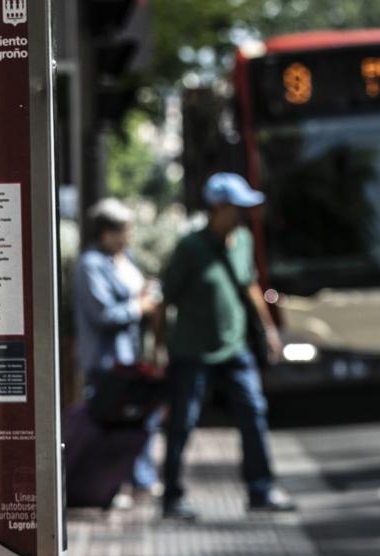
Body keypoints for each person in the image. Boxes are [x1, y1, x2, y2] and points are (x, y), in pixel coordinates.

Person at [158, 172, 294, 521]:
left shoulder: (243, 239)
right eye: (238, 207)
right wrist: (159, 348)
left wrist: (269, 331)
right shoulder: (190, 248)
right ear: (218, 208)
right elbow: (165, 299)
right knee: (183, 422)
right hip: (193, 351)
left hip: (236, 348)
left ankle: (260, 491)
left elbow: (250, 286)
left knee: (254, 413)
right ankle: (172, 497)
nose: (244, 214)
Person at [72, 197, 163, 508]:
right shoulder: (90, 265)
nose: (129, 236)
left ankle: (141, 481)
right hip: (106, 360)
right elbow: (103, 314)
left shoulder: (126, 258)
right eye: (125, 230)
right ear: (107, 232)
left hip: (130, 357)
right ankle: (111, 487)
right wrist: (139, 307)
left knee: (140, 420)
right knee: (107, 424)